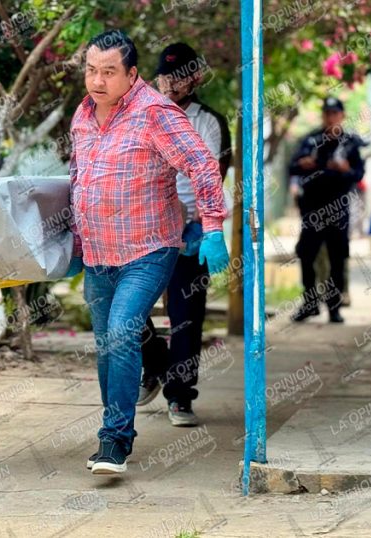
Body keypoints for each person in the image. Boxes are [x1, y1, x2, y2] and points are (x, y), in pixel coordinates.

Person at [67, 30, 230, 475]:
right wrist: (74, 245)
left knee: (122, 331)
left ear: (132, 74)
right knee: (106, 345)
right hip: (100, 253)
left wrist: (212, 226)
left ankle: (115, 440)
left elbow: (201, 162)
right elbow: (78, 176)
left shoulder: (155, 111)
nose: (97, 81)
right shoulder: (82, 116)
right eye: (91, 71)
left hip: (148, 248)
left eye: (109, 72)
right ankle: (113, 425)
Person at [136, 42, 233, 428]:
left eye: (179, 76)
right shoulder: (139, 113)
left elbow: (211, 177)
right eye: (164, 76)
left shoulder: (209, 121)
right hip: (143, 226)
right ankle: (157, 363)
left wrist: (204, 226)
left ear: (195, 77)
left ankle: (179, 396)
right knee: (127, 309)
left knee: (186, 315)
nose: (170, 83)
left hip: (189, 227)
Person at [289, 97, 366, 324]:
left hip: (338, 207)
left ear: (341, 116)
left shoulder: (351, 143)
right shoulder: (311, 140)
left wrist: (345, 169)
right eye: (327, 113)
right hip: (312, 207)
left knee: (337, 256)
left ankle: (334, 307)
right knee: (306, 253)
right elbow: (291, 166)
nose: (330, 117)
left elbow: (358, 175)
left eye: (335, 113)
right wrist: (303, 164)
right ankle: (310, 303)